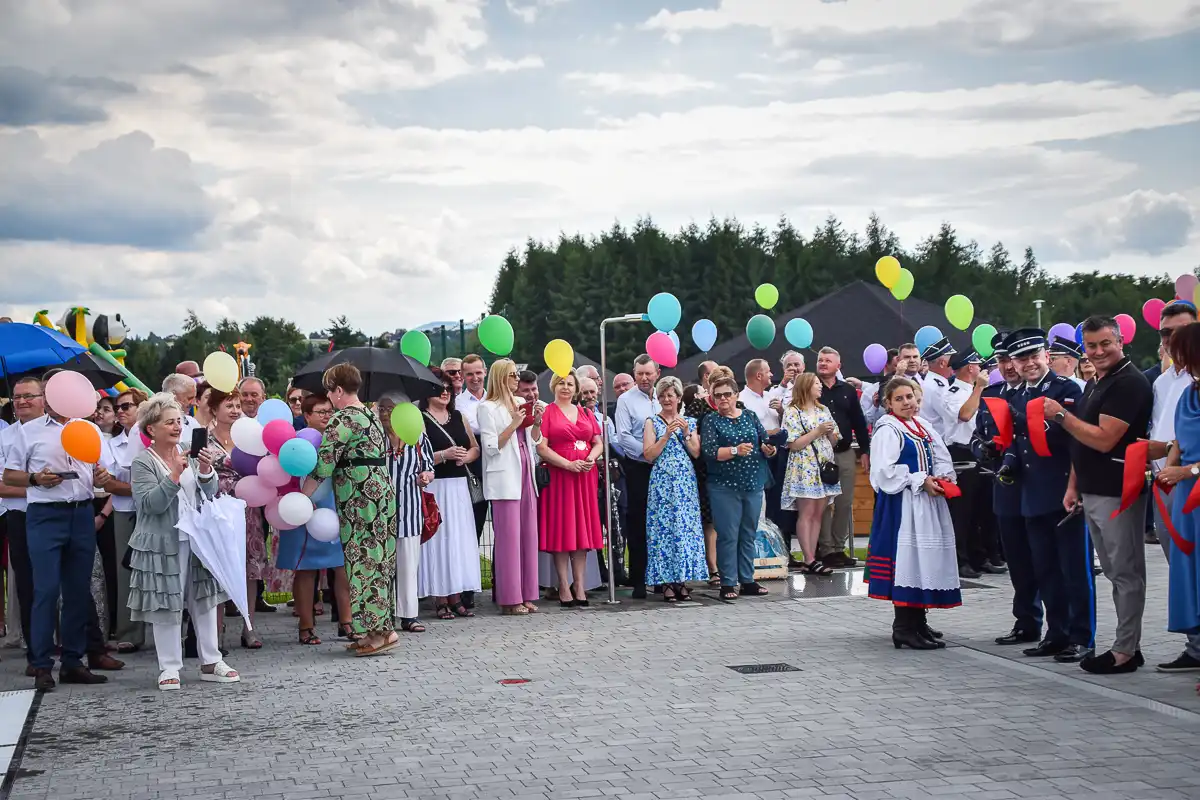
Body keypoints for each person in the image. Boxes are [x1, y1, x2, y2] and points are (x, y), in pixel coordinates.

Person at [1050, 316, 1154, 674]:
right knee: (1112, 571)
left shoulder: (1129, 383)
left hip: (1118, 490)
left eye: (1105, 343)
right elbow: (1084, 441)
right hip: (1093, 489)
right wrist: (1074, 485)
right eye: (1091, 346)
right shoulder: (1098, 381)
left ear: (1121, 341)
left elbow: (1104, 438)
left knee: (1125, 572)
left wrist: (1062, 415)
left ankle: (1125, 650)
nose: (1098, 352)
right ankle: (1127, 645)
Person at [2, 376, 116, 690]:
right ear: (49, 397)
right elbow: (10, 475)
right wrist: (36, 479)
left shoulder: (89, 428)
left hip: (80, 512)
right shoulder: (28, 432)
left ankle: (72, 662)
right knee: (46, 590)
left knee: (78, 591)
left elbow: (102, 471)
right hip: (45, 515)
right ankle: (40, 665)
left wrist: (103, 474)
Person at [127, 393, 240, 690]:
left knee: (203, 600)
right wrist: (174, 475)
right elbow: (149, 505)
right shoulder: (142, 463)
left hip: (196, 539)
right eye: (170, 422)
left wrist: (205, 471)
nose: (177, 427)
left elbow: (209, 491)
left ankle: (211, 661)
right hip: (162, 543)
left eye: (179, 421)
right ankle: (169, 666)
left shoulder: (189, 452)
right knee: (166, 602)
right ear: (151, 429)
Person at [999, 328, 1094, 663]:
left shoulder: (1066, 389)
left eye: (1034, 356)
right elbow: (1016, 442)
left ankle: (1081, 636)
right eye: (1021, 358)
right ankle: (1056, 633)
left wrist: (1076, 486)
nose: (1029, 364)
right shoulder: (1017, 395)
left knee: (1074, 569)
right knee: (1046, 570)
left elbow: (1076, 440)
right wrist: (1006, 459)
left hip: (1064, 490)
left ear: (1046, 355)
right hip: (1032, 493)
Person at [308, 363, 399, 656]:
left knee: (364, 561)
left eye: (329, 391)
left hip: (360, 497)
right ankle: (378, 628)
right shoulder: (370, 415)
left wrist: (303, 496)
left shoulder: (343, 419)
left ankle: (379, 634)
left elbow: (324, 463)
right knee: (380, 559)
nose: (329, 398)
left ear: (337, 389)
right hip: (380, 491)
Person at [865, 377, 960, 650]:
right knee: (908, 561)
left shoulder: (921, 426)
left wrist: (943, 477)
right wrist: (919, 480)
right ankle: (904, 627)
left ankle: (918, 621)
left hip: (925, 503)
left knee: (922, 560)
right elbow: (884, 472)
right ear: (888, 404)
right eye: (900, 398)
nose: (907, 402)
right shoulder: (888, 429)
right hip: (904, 505)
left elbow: (940, 456)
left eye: (910, 397)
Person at [972, 334, 1043, 646]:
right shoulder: (992, 394)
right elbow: (975, 434)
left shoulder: (1029, 394)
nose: (1008, 366)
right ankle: (1025, 621)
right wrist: (983, 450)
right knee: (1016, 558)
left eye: (1010, 359)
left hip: (1036, 484)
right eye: (1001, 360)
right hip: (1004, 486)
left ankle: (1056, 627)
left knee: (1042, 558)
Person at [1143, 302, 1200, 672]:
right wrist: (1168, 467)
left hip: (1192, 488)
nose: (1170, 349)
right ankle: (1196, 646)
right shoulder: (1185, 390)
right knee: (1186, 573)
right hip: (1178, 497)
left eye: (1179, 344)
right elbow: (1176, 439)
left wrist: (1188, 471)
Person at [277, 394, 353, 645]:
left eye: (330, 412)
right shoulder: (296, 442)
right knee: (306, 569)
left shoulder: (338, 439)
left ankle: (347, 622)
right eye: (320, 412)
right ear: (307, 415)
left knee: (341, 567)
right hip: (302, 506)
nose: (326, 417)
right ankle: (306, 625)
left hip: (332, 506)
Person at [700, 373, 776, 601]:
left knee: (748, 532)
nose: (723, 399)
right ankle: (727, 582)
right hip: (724, 486)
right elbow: (710, 452)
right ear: (713, 398)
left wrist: (769, 450)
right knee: (728, 534)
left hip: (752, 482)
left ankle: (748, 579)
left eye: (727, 394)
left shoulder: (750, 416)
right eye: (718, 395)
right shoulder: (711, 421)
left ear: (736, 395)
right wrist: (734, 450)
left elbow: (765, 441)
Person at [478, 359, 543, 615]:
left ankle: (527, 593)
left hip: (526, 473)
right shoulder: (488, 408)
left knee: (528, 535)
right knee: (508, 539)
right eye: (513, 375)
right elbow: (491, 447)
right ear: (501, 378)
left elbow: (535, 440)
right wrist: (515, 423)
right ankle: (509, 598)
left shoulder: (519, 404)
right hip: (505, 476)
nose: (518, 379)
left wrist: (535, 422)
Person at [417, 367, 482, 620]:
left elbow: (474, 448)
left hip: (458, 487)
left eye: (447, 387)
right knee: (437, 540)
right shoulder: (421, 419)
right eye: (438, 387)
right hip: (436, 486)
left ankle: (455, 595)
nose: (444, 392)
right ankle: (439, 598)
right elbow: (417, 455)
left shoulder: (458, 417)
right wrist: (443, 455)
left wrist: (466, 455)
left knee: (458, 540)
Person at [205, 388, 268, 648]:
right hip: (218, 508)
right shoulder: (204, 438)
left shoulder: (249, 437)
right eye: (228, 405)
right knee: (218, 567)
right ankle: (216, 630)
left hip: (247, 507)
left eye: (236, 405)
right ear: (214, 410)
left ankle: (249, 627)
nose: (234, 410)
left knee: (249, 567)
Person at [538, 370, 604, 606]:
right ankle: (563, 585)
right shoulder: (547, 413)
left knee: (582, 530)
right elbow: (542, 448)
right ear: (553, 386)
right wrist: (567, 464)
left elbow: (598, 442)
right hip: (560, 476)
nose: (565, 387)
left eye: (570, 384)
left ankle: (580, 585)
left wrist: (590, 459)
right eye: (561, 383)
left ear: (576, 388)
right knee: (563, 529)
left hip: (585, 476)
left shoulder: (585, 412)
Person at [939, 349, 1003, 579]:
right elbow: (965, 415)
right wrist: (978, 388)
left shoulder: (974, 391)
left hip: (981, 450)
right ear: (970, 368)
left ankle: (980, 555)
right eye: (977, 365)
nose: (981, 369)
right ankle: (960, 559)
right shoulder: (954, 391)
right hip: (961, 452)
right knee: (963, 512)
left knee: (982, 509)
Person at [375, 392, 435, 634]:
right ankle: (383, 614)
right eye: (381, 409)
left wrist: (426, 477)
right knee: (382, 565)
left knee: (408, 564)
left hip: (410, 509)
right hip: (379, 511)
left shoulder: (418, 438)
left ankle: (409, 615)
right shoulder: (376, 438)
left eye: (389, 409)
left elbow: (429, 467)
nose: (385, 413)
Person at [642, 376, 705, 602]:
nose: (667, 399)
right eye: (662, 395)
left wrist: (686, 431)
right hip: (662, 482)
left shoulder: (690, 421)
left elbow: (696, 452)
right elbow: (648, 455)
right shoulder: (652, 421)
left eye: (671, 395)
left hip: (685, 482)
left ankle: (682, 580)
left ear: (679, 398)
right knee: (663, 530)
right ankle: (666, 582)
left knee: (684, 530)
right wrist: (666, 435)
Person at [812, 347, 871, 568]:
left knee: (844, 502)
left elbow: (859, 422)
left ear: (839, 365)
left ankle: (839, 548)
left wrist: (865, 450)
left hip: (845, 452)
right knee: (825, 503)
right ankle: (825, 549)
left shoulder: (847, 390)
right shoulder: (812, 389)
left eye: (828, 360)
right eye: (820, 360)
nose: (823, 363)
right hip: (820, 454)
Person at [102, 387, 149, 652]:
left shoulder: (156, 438)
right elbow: (108, 483)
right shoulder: (112, 443)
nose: (120, 412)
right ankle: (129, 631)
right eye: (117, 407)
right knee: (127, 571)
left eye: (126, 406)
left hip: (157, 510)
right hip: (126, 511)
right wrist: (146, 488)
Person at [781, 373, 841, 575]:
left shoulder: (823, 410)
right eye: (816, 384)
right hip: (804, 466)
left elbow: (834, 441)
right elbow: (793, 444)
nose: (820, 387)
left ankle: (812, 558)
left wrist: (831, 434)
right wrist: (817, 431)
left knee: (818, 514)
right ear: (806, 387)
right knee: (806, 513)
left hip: (823, 467)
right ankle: (808, 557)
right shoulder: (792, 412)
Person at [615, 355, 662, 599]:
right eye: (640, 374)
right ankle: (640, 579)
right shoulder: (625, 400)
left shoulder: (665, 395)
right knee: (638, 523)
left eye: (648, 373)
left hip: (665, 469)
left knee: (664, 521)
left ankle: (664, 577)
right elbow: (623, 437)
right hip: (638, 468)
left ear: (657, 373)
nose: (644, 378)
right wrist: (647, 454)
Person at [455, 353, 489, 608]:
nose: (475, 378)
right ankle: (466, 589)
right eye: (469, 374)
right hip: (472, 468)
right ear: (463, 376)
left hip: (499, 466)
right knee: (472, 528)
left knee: (505, 530)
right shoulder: (457, 404)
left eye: (478, 372)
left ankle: (504, 584)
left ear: (485, 372)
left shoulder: (497, 398)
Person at [915, 337, 955, 439]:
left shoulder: (933, 382)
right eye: (952, 360)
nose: (954, 364)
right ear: (942, 363)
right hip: (940, 442)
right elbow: (954, 417)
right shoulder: (938, 387)